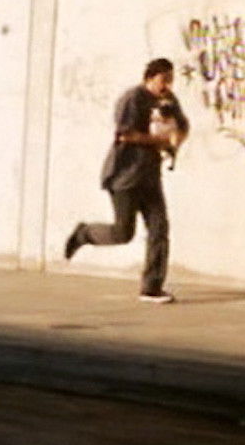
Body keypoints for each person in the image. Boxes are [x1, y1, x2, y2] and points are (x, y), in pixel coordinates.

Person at [63, 58, 189, 303]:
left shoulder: (169, 101)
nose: (167, 85)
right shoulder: (133, 99)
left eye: (170, 79)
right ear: (149, 78)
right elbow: (126, 134)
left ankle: (152, 287)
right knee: (123, 232)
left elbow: (183, 126)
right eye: (164, 79)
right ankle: (84, 234)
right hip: (125, 176)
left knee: (159, 229)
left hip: (150, 177)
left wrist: (177, 137)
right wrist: (161, 142)